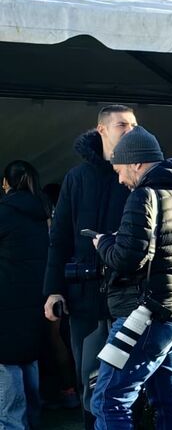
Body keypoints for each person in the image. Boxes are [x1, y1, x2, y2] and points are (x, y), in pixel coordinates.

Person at [89, 127, 172, 429]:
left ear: (137, 163)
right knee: (170, 401)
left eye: (120, 169)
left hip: (143, 316)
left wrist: (104, 244)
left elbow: (127, 259)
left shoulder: (143, 196)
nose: (120, 178)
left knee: (108, 400)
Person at [43, 105, 136, 429]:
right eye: (123, 125)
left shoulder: (140, 175)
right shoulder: (77, 178)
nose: (130, 130)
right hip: (84, 303)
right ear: (102, 130)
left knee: (122, 389)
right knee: (90, 386)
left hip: (129, 301)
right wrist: (53, 291)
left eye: (134, 125)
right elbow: (60, 240)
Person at [0, 161, 51, 429]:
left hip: (6, 298)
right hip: (36, 296)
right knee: (29, 359)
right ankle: (33, 418)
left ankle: (13, 425)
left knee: (7, 364)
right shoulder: (41, 213)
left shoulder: (4, 213)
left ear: (5, 184)